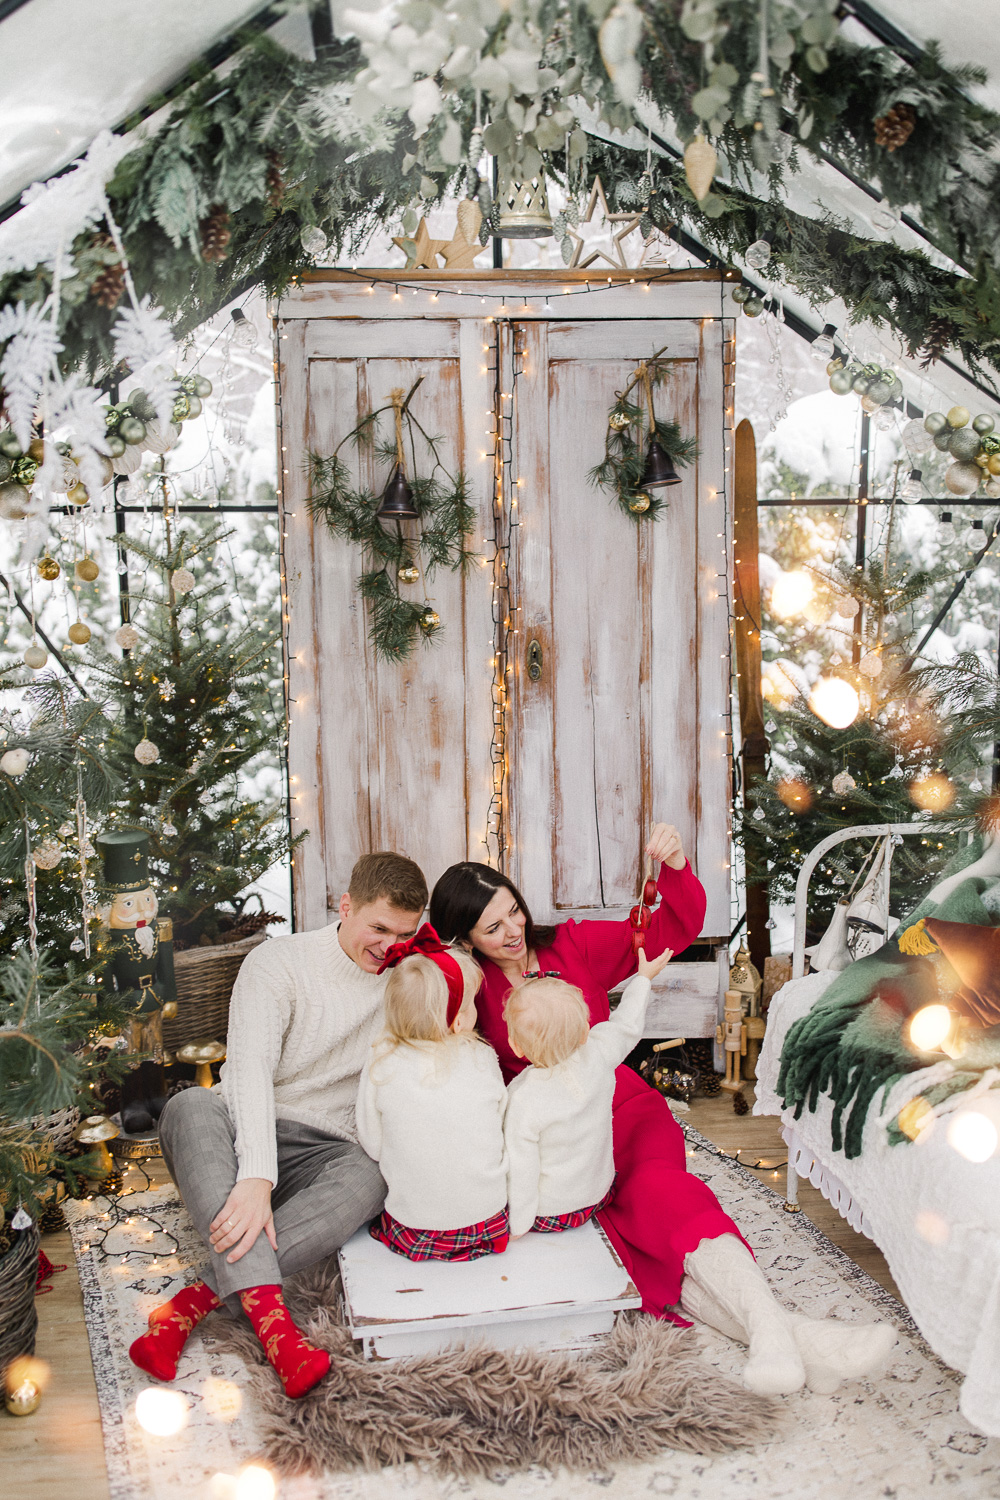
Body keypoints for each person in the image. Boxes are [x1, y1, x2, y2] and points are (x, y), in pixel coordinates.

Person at [430, 825, 896, 1397]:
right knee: (624, 1237)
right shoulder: (466, 986)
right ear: (464, 938)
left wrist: (675, 866)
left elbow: (668, 930)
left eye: (513, 912)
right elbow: (421, 1009)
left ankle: (770, 1329)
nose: (512, 930)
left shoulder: (571, 945)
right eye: (492, 927)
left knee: (661, 1192)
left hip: (620, 1107)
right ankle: (793, 1337)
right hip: (553, 1138)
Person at [129, 851, 427, 1399]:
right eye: (379, 929)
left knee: (374, 1175)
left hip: (327, 1148)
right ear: (346, 907)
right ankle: (280, 1335)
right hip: (242, 1126)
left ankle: (190, 1304)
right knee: (189, 1105)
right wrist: (255, 1177)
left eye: (405, 934)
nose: (390, 946)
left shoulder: (410, 979)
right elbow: (248, 1070)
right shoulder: (277, 963)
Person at [356, 925, 509, 1261]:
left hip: (416, 1227)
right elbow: (500, 1122)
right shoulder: (482, 1057)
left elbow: (373, 1142)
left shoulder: (381, 1058)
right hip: (488, 1220)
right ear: (458, 1022)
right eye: (470, 1004)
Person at [503, 946, 674, 1238]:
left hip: (551, 1212)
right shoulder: (597, 1053)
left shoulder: (523, 1098)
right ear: (585, 1031)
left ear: (516, 1047)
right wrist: (643, 979)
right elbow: (627, 1025)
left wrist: (519, 1224)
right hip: (598, 1194)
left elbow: (522, 1168)